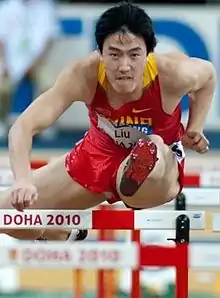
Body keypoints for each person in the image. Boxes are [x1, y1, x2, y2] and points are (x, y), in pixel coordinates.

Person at [0, 1, 215, 241]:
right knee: (6, 213)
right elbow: (22, 126)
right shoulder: (83, 74)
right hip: (96, 157)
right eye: (114, 54)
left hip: (155, 172)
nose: (124, 66)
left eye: (134, 55)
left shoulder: (174, 73)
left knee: (151, 147)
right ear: (100, 53)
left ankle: (138, 168)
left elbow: (208, 76)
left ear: (148, 54)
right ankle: (58, 231)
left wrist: (195, 127)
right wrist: (23, 180)